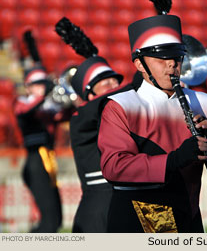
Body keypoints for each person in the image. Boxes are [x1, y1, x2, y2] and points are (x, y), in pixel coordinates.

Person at [97, 14, 207, 233]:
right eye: (161, 58)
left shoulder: (203, 103)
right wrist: (174, 160)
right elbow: (114, 167)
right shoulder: (121, 106)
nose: (172, 64)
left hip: (190, 217)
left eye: (177, 57)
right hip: (139, 217)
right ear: (139, 64)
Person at [69, 56, 142, 232]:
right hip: (98, 209)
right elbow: (104, 102)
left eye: (115, 81)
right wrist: (144, 77)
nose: (114, 85)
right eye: (105, 83)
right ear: (90, 94)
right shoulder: (81, 117)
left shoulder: (125, 113)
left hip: (129, 201)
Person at [14, 65, 66, 232]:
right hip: (35, 163)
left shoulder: (48, 108)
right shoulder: (22, 102)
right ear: (27, 87)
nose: (41, 87)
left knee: (57, 219)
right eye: (37, 84)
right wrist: (44, 96)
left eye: (44, 83)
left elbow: (69, 113)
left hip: (49, 163)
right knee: (49, 221)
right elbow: (25, 111)